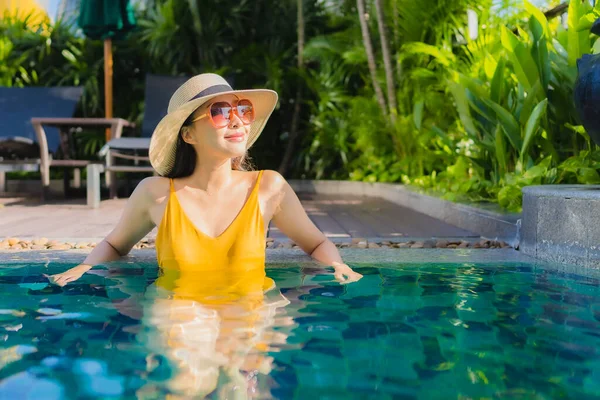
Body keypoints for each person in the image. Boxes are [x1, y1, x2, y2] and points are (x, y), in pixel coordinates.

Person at [45, 73, 363, 287]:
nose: (237, 119)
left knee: (242, 388)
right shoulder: (155, 194)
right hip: (179, 315)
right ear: (188, 134)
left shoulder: (268, 187)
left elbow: (317, 242)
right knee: (180, 381)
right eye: (221, 112)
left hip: (250, 312)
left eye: (243, 109)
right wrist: (85, 268)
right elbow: (115, 243)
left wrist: (338, 265)